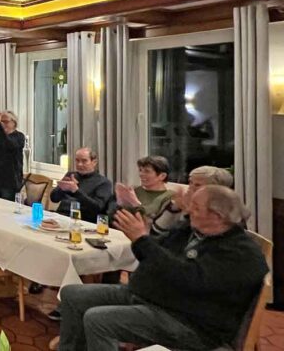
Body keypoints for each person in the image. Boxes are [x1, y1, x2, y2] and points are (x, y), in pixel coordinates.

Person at [57, 185, 267, 351]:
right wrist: (140, 235)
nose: (189, 210)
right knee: (72, 294)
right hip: (155, 298)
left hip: (190, 322)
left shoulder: (240, 253)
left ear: (217, 216)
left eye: (195, 207)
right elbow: (154, 252)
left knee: (98, 320)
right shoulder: (193, 231)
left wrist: (142, 240)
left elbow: (188, 278)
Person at [149, 165, 234, 236]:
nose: (190, 188)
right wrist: (174, 208)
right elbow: (156, 234)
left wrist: (188, 211)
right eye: (190, 182)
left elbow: (192, 240)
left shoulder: (221, 214)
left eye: (197, 185)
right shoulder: (186, 202)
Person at [50, 147, 113, 224]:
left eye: (84, 161)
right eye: (77, 160)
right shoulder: (70, 175)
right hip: (61, 216)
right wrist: (61, 188)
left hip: (83, 222)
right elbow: (53, 199)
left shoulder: (103, 183)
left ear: (94, 162)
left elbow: (97, 208)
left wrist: (76, 191)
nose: (79, 164)